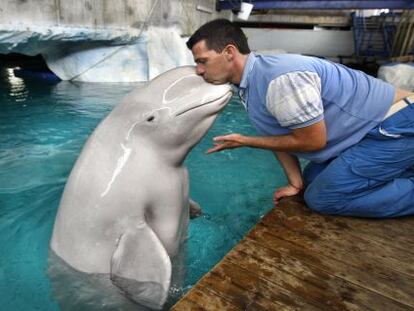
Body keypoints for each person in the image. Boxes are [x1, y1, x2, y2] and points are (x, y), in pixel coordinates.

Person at [186, 18, 414, 218]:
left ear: (229, 52)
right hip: (368, 130)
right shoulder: (250, 83)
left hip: (394, 124)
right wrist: (295, 183)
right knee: (311, 181)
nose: (198, 70)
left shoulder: (280, 80)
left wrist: (245, 141)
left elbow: (314, 141)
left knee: (323, 197)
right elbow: (276, 134)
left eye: (202, 61)